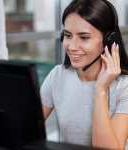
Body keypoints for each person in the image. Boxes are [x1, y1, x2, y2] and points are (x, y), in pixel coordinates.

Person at [40, 0, 128, 149]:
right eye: (68, 35)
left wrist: (100, 89)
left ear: (108, 40)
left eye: (84, 37)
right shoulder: (57, 76)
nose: (72, 47)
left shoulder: (124, 86)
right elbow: (25, 127)